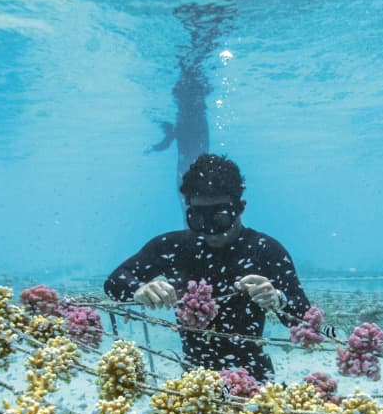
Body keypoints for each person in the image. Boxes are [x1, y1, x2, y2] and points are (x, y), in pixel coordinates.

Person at [104, 153, 314, 381]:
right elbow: (115, 282)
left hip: (254, 378)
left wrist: (278, 299)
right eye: (199, 219)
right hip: (196, 380)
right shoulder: (173, 247)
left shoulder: (265, 250)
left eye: (221, 218)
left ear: (240, 207)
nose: (210, 230)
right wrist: (138, 289)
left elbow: (305, 319)